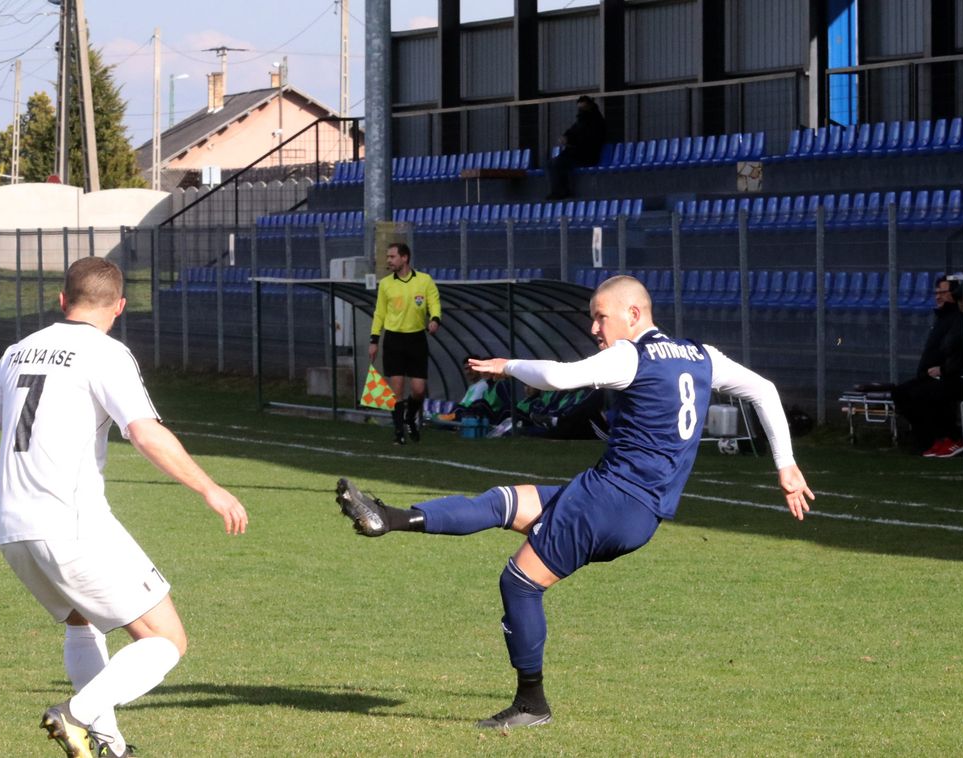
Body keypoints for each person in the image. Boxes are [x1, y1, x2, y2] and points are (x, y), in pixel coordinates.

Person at [334, 274, 812, 730]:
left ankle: (531, 704)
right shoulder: (700, 355)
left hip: (610, 502)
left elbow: (560, 378)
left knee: (519, 583)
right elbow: (764, 390)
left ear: (633, 313)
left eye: (600, 317)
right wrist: (785, 466)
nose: (594, 328)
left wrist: (507, 366)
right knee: (501, 502)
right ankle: (388, 518)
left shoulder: (631, 356)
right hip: (628, 505)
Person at [0, 257, 248, 758]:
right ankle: (73, 715)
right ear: (119, 306)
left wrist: (13, 495)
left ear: (62, 300)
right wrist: (210, 488)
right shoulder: (105, 353)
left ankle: (111, 749)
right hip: (72, 525)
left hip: (12, 527)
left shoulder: (16, 352)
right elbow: (143, 432)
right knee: (165, 639)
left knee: (83, 622)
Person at [369, 242, 441, 444]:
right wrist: (374, 339)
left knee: (418, 389)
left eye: (392, 257)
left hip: (417, 338)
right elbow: (379, 313)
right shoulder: (386, 284)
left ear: (405, 258)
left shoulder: (424, 281)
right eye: (388, 257)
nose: (389, 261)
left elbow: (434, 302)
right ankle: (399, 433)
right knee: (397, 389)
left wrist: (435, 319)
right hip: (394, 339)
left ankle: (410, 418)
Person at [893, 275, 962, 456]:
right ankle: (926, 438)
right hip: (931, 375)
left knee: (922, 395)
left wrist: (944, 369)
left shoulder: (958, 319)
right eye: (936, 293)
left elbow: (958, 352)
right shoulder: (942, 318)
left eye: (943, 292)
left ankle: (947, 438)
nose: (938, 296)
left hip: (950, 377)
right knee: (901, 393)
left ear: (954, 294)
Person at [547, 95, 607, 200]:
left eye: (583, 108)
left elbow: (588, 140)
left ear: (590, 107)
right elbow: (572, 132)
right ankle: (558, 190)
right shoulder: (581, 121)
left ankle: (562, 191)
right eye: (579, 108)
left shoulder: (596, 122)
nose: (581, 111)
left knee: (559, 163)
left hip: (587, 155)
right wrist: (565, 137)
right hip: (576, 152)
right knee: (552, 163)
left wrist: (570, 142)